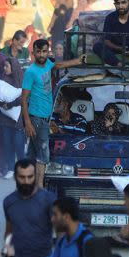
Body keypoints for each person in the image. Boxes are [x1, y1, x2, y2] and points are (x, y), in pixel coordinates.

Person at [21, 39, 84, 188]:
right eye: (38, 52)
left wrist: (78, 61)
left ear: (48, 52)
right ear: (33, 52)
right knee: (43, 156)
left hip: (44, 119)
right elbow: (23, 100)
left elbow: (59, 65)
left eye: (44, 51)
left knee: (31, 155)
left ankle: (27, 187)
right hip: (37, 119)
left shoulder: (48, 64)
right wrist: (28, 123)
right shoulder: (31, 72)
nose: (41, 55)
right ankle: (39, 188)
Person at [0, 51, 25, 179]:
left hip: (18, 119)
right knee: (8, 144)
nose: (4, 68)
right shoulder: (2, 80)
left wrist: (11, 104)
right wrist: (2, 103)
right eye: (4, 66)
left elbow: (25, 98)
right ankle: (10, 168)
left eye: (7, 66)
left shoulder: (21, 80)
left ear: (13, 67)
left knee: (19, 145)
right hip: (5, 118)